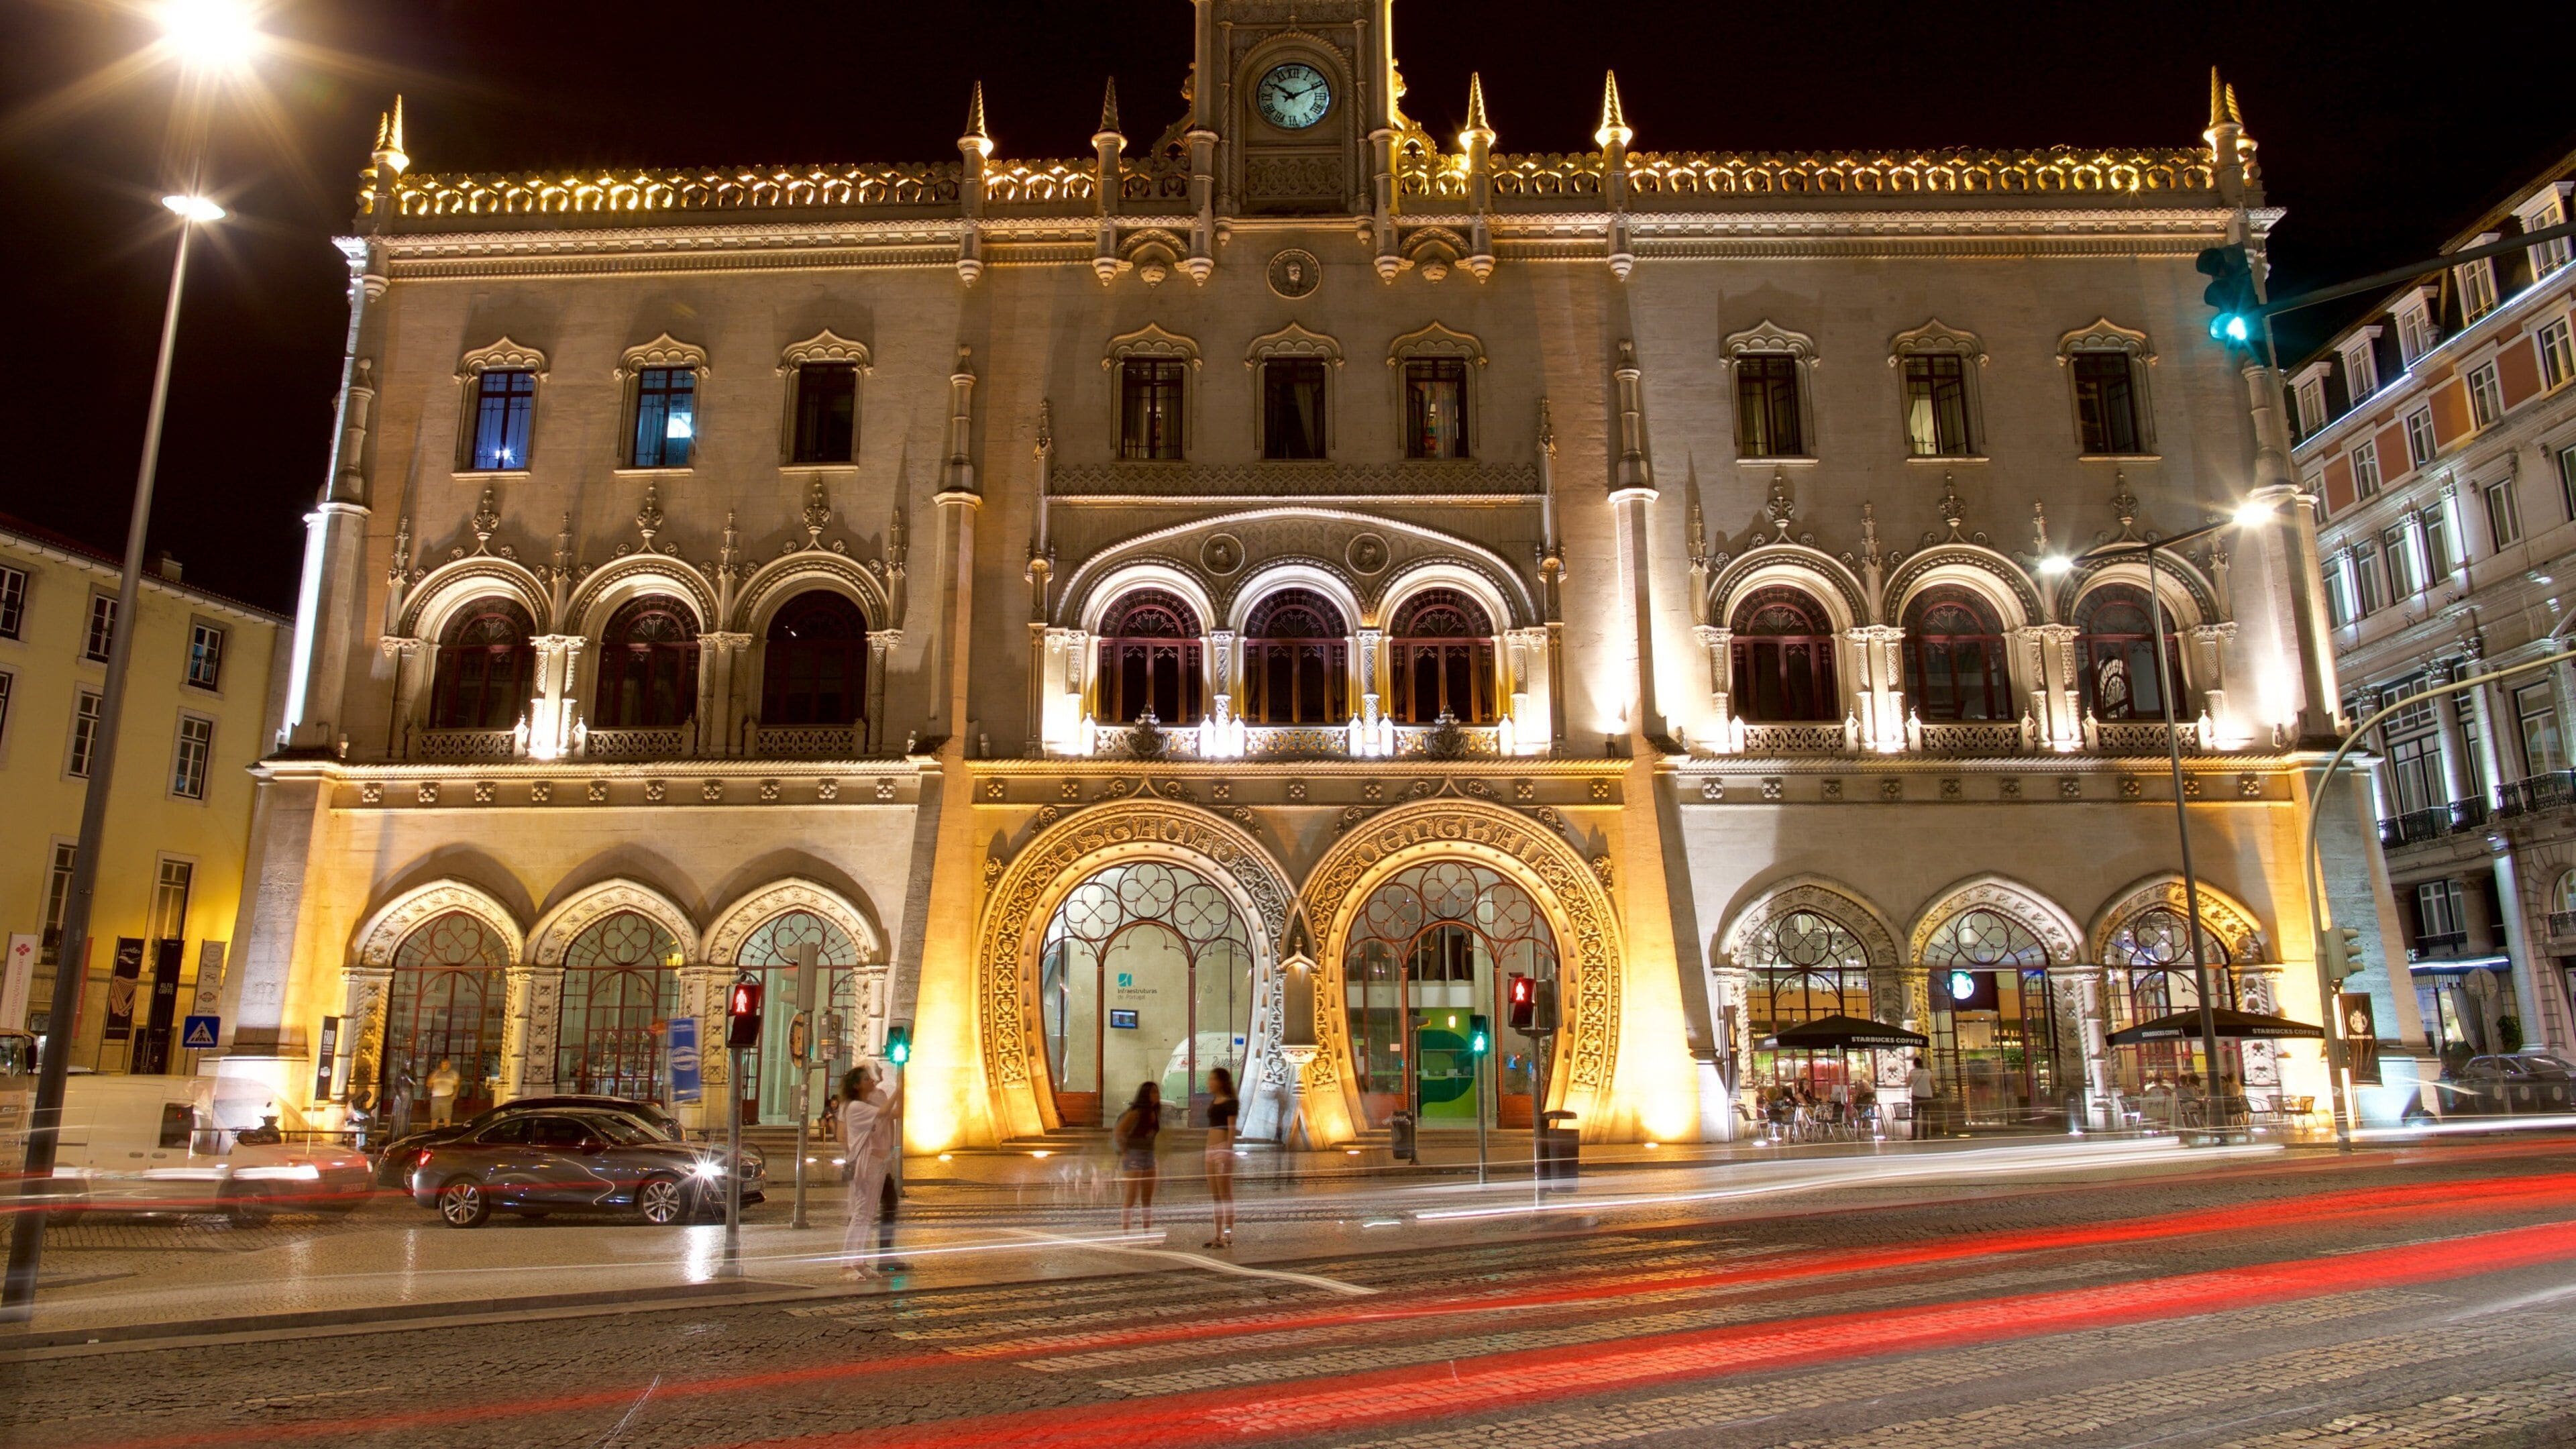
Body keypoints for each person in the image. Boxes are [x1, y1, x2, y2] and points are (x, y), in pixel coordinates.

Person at [839, 1063, 904, 1279]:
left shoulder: (867, 1103)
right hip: (865, 1165)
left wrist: (899, 1092)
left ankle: (859, 1262)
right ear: (857, 1085)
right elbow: (885, 1111)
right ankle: (846, 1264)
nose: (871, 1081)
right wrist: (899, 1088)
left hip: (877, 1163)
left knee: (867, 1215)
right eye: (866, 1079)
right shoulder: (855, 1107)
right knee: (860, 1214)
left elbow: (894, 1114)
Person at [1113, 1081, 1161, 1232]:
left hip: (1149, 1156)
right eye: (1153, 1092)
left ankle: (1146, 1232)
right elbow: (1119, 1131)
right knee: (1131, 1197)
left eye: (1157, 1092)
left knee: (1147, 1199)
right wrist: (1125, 1152)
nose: (1156, 1095)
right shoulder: (1136, 1112)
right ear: (1145, 1095)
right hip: (1135, 1155)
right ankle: (1126, 1233)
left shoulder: (1155, 1112)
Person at [1202, 1067, 1239, 1250]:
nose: (1209, 1083)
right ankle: (1217, 1235)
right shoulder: (1214, 1101)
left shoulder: (1230, 1102)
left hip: (1222, 1150)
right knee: (1216, 1196)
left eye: (1212, 1079)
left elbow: (1231, 1129)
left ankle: (1228, 1235)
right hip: (1210, 1149)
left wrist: (1228, 1151)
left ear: (1221, 1082)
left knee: (1226, 1195)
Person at [427, 1058, 461, 1128]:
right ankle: (433, 1133)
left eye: (447, 1064)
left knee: (447, 1117)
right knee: (434, 1118)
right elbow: (429, 1083)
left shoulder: (453, 1073)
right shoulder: (436, 1073)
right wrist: (430, 1085)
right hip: (436, 1098)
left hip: (447, 1098)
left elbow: (457, 1084)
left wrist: (455, 1095)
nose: (445, 1065)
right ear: (441, 1065)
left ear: (449, 1065)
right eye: (443, 1064)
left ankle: (447, 1134)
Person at [1907, 1055, 1934, 1139]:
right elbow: (1933, 1083)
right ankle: (1925, 1136)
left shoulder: (1912, 1072)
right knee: (1925, 1116)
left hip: (1916, 1096)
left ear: (1914, 1064)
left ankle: (1914, 1136)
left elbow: (1908, 1084)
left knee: (1914, 1116)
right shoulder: (1928, 1072)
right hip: (1927, 1096)